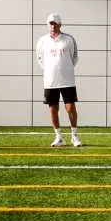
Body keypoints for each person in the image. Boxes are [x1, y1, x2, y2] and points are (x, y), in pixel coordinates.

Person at [36, 13, 81, 147]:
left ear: (60, 24)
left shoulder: (69, 39)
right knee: (53, 108)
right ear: (48, 24)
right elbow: (39, 59)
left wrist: (64, 69)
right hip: (50, 81)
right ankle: (59, 137)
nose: (53, 25)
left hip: (67, 80)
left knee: (70, 107)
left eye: (55, 23)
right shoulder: (42, 41)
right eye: (51, 23)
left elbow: (75, 58)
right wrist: (50, 70)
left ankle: (74, 136)